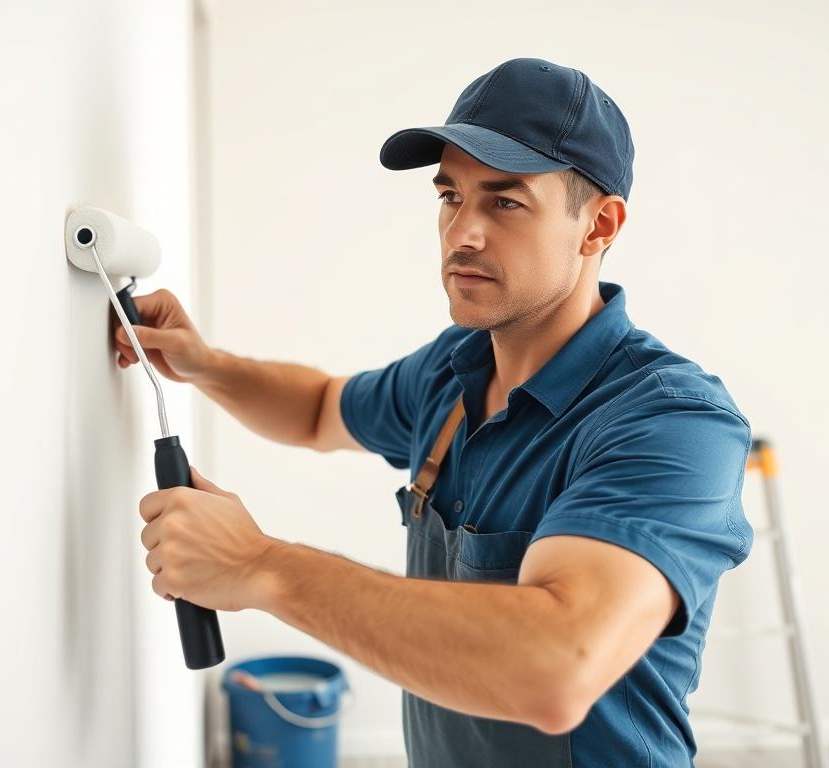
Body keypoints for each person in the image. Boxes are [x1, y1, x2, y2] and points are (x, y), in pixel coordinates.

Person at [116, 57, 754, 767]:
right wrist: (203, 363)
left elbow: (555, 667)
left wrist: (262, 566)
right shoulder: (453, 371)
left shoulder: (672, 422)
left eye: (504, 203)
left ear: (598, 225)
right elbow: (319, 409)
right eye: (451, 196)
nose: (462, 234)